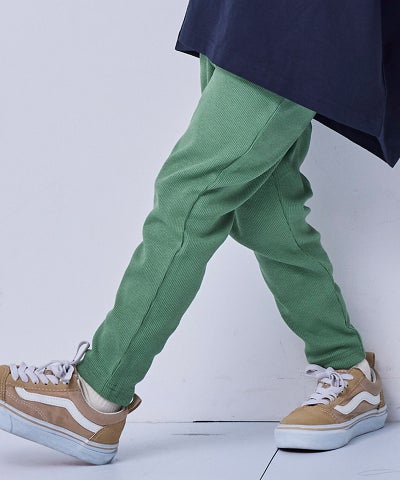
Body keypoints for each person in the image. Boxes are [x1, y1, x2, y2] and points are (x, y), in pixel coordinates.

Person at [1, 0, 396, 465]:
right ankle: (349, 371)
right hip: (245, 13)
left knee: (192, 192)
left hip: (301, 16)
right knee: (265, 210)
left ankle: (96, 395)